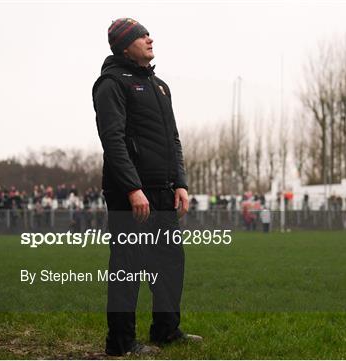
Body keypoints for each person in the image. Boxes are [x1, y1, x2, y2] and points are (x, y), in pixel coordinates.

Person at [92, 18, 201, 356]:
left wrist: (180, 182)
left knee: (170, 262)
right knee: (128, 267)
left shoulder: (160, 86)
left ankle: (166, 330)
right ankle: (121, 342)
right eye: (140, 35)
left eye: (147, 33)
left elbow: (173, 139)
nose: (149, 38)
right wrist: (132, 188)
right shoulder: (110, 83)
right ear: (125, 46)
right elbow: (113, 140)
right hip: (131, 194)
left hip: (163, 191)